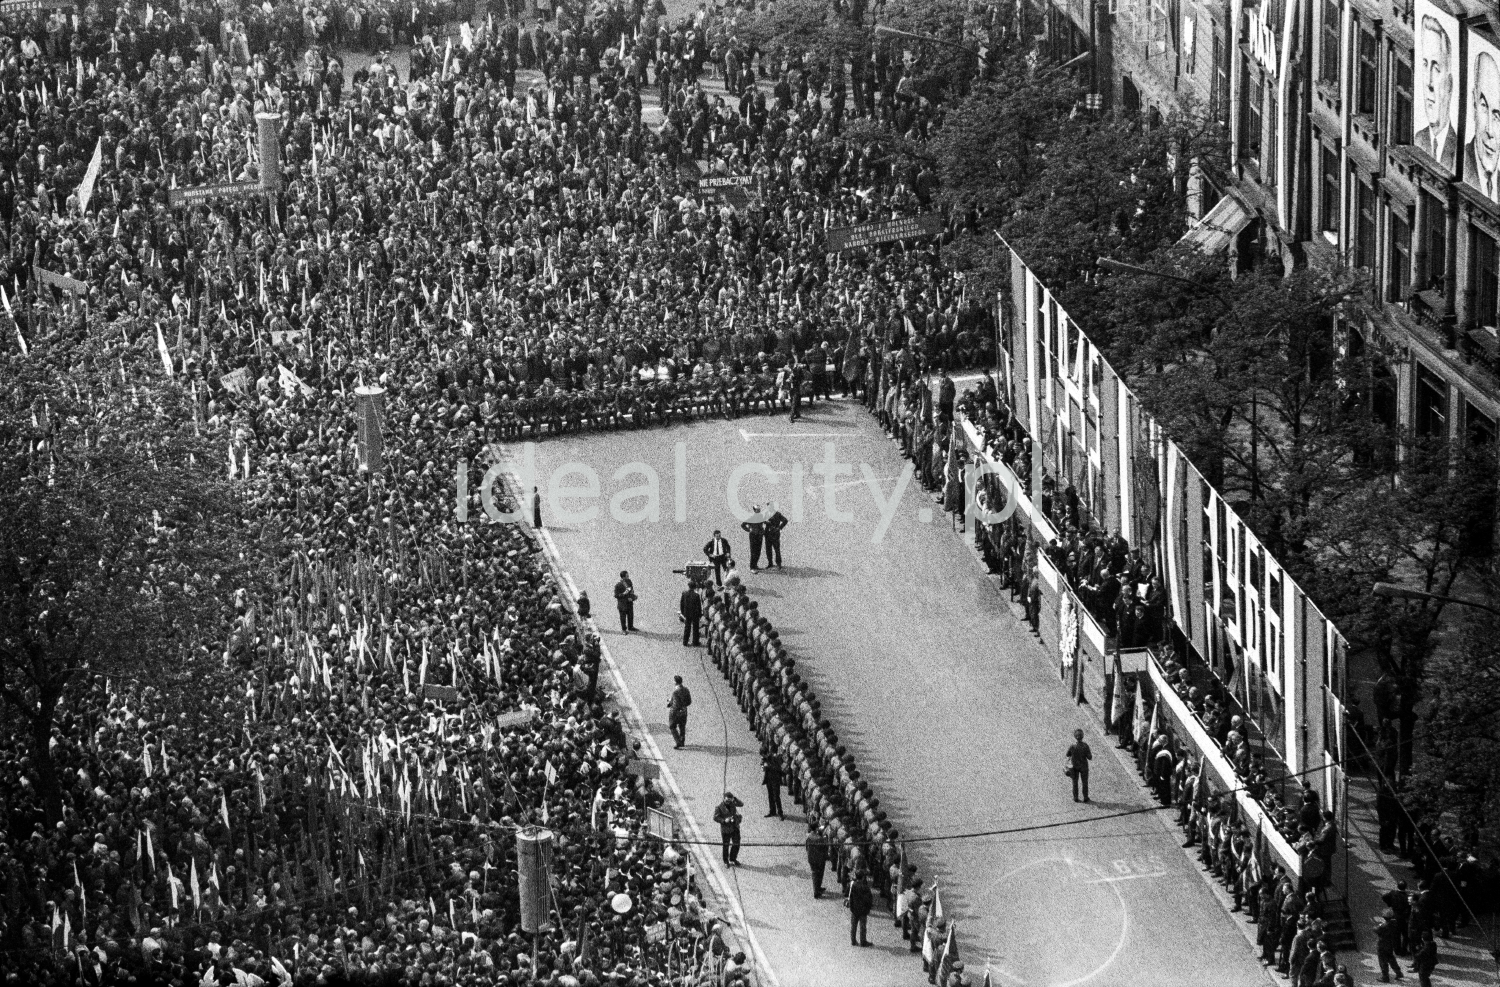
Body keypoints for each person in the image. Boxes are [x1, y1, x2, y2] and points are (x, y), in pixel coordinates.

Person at [713, 792, 744, 865]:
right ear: (724, 799)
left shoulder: (732, 803)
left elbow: (741, 804)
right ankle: (726, 861)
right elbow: (715, 817)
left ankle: (733, 858)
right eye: (727, 800)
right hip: (726, 829)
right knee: (726, 846)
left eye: (730, 800)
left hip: (734, 827)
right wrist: (724, 820)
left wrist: (735, 799)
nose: (728, 802)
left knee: (736, 844)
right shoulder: (719, 807)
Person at [847, 870, 873, 947]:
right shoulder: (865, 887)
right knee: (863, 927)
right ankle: (863, 941)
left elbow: (850, 896)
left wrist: (851, 907)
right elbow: (869, 899)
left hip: (854, 909)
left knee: (853, 926)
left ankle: (853, 940)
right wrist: (868, 908)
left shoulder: (853, 885)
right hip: (863, 910)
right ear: (863, 877)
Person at [1375, 912, 1404, 982]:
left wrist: (1379, 924)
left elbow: (1376, 930)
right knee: (1391, 958)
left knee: (1382, 961)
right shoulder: (1394, 923)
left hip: (1382, 945)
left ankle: (1385, 977)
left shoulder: (1383, 926)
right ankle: (1398, 972)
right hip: (1390, 944)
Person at [1066, 728, 1093, 802]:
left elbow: (1067, 754)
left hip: (1074, 767)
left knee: (1075, 783)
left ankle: (1075, 797)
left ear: (1075, 737)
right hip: (1084, 767)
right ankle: (1085, 797)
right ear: (1082, 736)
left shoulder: (1072, 746)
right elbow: (1089, 757)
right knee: (1085, 783)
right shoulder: (1085, 746)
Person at [805, 821, 829, 898]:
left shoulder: (808, 836)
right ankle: (816, 891)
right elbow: (825, 848)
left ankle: (818, 888)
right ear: (816, 829)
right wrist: (824, 838)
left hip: (811, 858)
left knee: (815, 874)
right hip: (819, 859)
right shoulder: (819, 838)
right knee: (818, 874)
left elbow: (806, 848)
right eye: (818, 827)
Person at [667, 674, 692, 748]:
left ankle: (678, 742)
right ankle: (682, 740)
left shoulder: (675, 692)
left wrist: (670, 704)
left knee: (672, 726)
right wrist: (684, 706)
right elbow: (689, 701)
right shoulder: (686, 690)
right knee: (682, 726)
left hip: (675, 712)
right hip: (684, 711)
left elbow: (675, 704)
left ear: (675, 682)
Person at [763, 503, 788, 569]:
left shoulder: (777, 514)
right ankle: (770, 563)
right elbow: (762, 520)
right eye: (768, 507)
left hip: (775, 534)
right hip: (767, 534)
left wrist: (779, 527)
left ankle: (779, 564)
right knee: (768, 550)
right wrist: (765, 522)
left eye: (770, 507)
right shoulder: (766, 513)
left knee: (777, 549)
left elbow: (785, 520)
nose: (769, 508)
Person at [761, 749, 784, 818]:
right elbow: (762, 766)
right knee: (770, 796)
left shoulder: (775, 757)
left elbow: (779, 768)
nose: (764, 756)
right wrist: (763, 767)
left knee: (776, 796)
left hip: (775, 779)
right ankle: (772, 811)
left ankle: (780, 813)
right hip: (768, 779)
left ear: (767, 753)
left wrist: (769, 766)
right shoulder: (765, 759)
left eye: (764, 755)